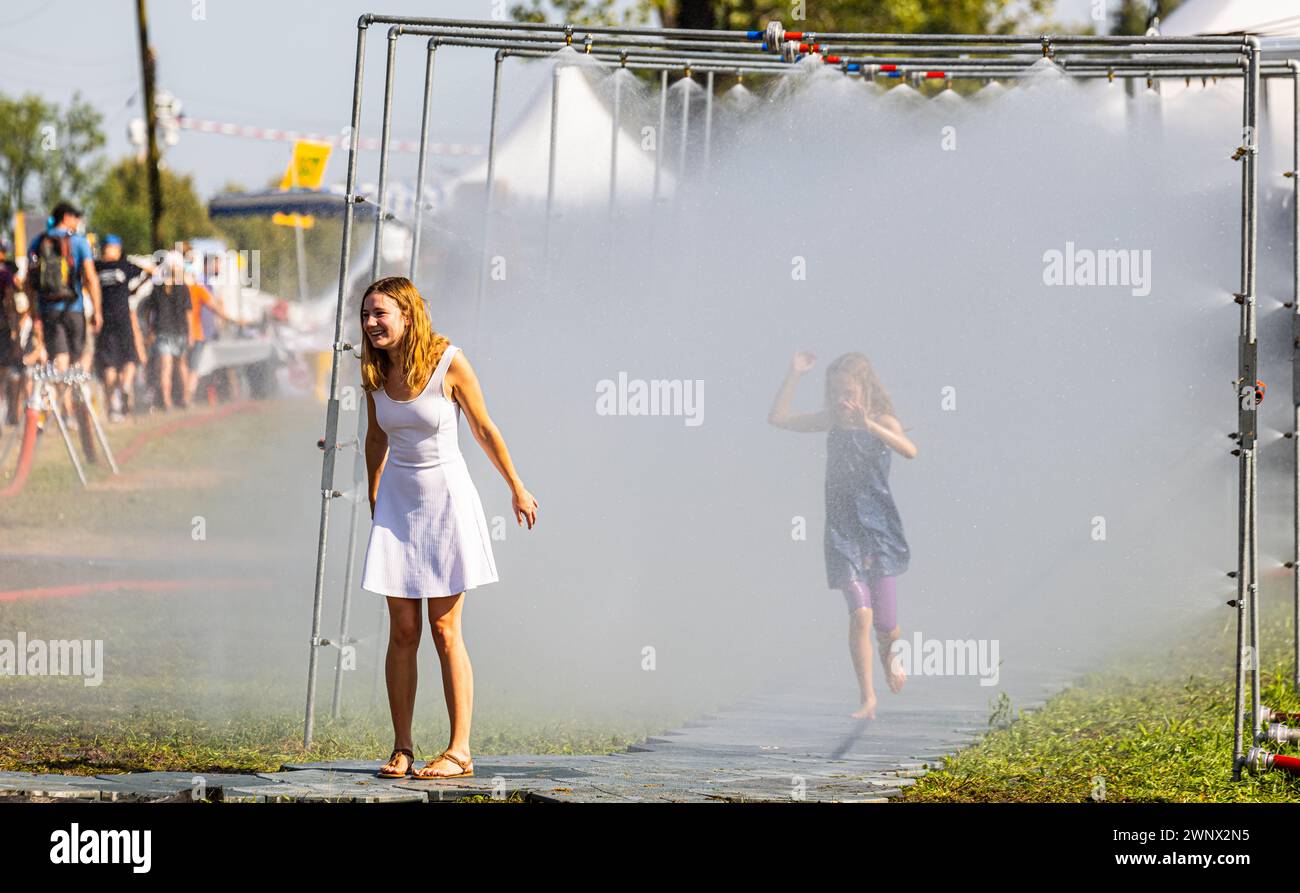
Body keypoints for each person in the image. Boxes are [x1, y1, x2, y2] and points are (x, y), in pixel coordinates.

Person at [358, 276, 538, 780]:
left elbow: (483, 427)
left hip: (446, 501)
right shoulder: (373, 372)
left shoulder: (447, 360)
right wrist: (374, 491)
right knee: (403, 630)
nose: (371, 324)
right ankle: (402, 748)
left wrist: (516, 487)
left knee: (443, 628)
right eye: (366, 315)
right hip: (397, 502)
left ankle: (459, 751)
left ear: (408, 315)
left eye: (381, 314)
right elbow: (375, 435)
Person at [768, 350, 917, 720]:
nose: (840, 399)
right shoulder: (832, 422)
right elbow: (779, 418)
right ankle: (867, 697)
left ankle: (888, 651)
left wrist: (871, 426)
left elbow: (910, 451)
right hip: (842, 531)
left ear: (863, 389)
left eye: (847, 391)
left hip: (879, 532)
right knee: (860, 616)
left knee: (887, 627)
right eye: (834, 391)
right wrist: (794, 374)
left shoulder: (882, 421)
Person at [26, 202, 101, 428]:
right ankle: (81, 408)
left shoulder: (38, 242)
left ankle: (67, 412)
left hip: (48, 309)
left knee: (60, 361)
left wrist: (34, 311)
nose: (78, 221)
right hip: (74, 308)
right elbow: (90, 276)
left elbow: (30, 282)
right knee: (80, 360)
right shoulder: (78, 241)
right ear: (66, 217)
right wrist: (97, 309)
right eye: (76, 216)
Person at [93, 235, 151, 421]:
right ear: (117, 248)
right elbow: (150, 270)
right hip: (124, 318)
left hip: (104, 319)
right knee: (129, 357)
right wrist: (134, 288)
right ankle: (126, 384)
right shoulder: (125, 266)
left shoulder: (97, 267)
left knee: (109, 363)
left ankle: (113, 404)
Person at [137, 252, 192, 411]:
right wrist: (191, 334)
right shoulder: (183, 288)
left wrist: (149, 330)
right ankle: (184, 398)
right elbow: (188, 313)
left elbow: (148, 312)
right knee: (181, 366)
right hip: (178, 331)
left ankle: (168, 401)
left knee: (166, 368)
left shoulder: (158, 288)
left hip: (163, 331)